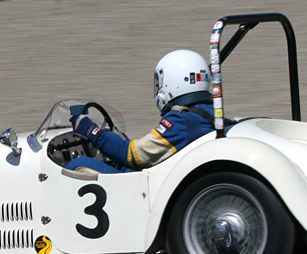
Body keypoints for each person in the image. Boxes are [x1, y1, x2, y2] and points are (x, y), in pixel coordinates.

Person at [67, 50, 215, 174]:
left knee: (79, 164)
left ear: (173, 81)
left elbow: (132, 155)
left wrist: (92, 131)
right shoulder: (208, 115)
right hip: (171, 174)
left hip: (154, 187)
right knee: (119, 164)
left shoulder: (182, 121)